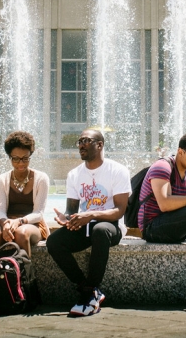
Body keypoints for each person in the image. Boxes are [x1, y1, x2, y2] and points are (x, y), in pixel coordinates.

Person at [46, 129, 130, 317]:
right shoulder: (74, 174)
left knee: (100, 230)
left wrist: (90, 215)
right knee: (54, 242)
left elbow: (119, 210)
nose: (81, 145)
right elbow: (72, 210)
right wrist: (66, 219)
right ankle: (88, 290)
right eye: (79, 141)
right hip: (84, 226)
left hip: (110, 226)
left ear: (99, 144)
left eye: (86, 140)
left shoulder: (117, 170)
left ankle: (88, 294)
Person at [0, 131, 50, 257]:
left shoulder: (41, 179)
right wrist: (6, 224)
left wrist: (19, 222)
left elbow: (38, 213)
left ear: (30, 155)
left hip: (33, 225)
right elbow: (0, 211)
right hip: (8, 222)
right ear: (10, 157)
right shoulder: (2, 180)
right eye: (15, 159)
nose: (21, 163)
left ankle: (26, 274)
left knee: (21, 233)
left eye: (25, 158)